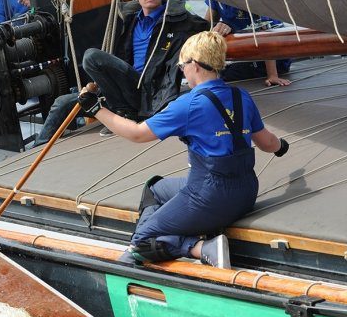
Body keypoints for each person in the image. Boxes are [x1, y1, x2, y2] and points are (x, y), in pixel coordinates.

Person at [77, 31, 288, 266]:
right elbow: (268, 143)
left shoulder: (188, 105)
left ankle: (196, 247)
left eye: (182, 64)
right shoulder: (241, 96)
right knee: (154, 189)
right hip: (246, 192)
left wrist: (95, 109)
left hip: (209, 196)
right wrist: (282, 147)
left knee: (143, 241)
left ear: (195, 65)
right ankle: (150, 241)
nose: (181, 69)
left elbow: (136, 134)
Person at [34, 0, 208, 144]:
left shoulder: (177, 22)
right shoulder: (130, 20)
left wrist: (223, 26)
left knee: (91, 57)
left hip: (149, 91)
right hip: (121, 90)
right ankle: (38, 148)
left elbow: (206, 28)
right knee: (61, 103)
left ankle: (123, 112)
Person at [205, 0, 291, 86]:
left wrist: (272, 75)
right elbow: (205, 27)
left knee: (227, 73)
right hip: (244, 52)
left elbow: (266, 33)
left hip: (274, 56)